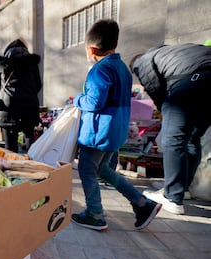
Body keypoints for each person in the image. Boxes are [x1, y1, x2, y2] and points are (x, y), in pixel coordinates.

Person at [71, 19, 162, 231]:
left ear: (92, 49)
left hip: (98, 133)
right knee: (104, 170)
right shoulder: (121, 67)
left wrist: (77, 99)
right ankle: (142, 204)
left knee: (87, 169)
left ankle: (95, 214)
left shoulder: (99, 70)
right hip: (115, 131)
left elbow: (94, 102)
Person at [129, 43, 211, 214]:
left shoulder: (142, 61)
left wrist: (164, 112)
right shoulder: (174, 51)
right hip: (205, 83)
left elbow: (154, 87)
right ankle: (183, 188)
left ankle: (172, 197)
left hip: (191, 82)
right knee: (193, 138)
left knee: (173, 139)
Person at [0, 38, 42, 152]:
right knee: (29, 137)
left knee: (10, 143)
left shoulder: (0, 64)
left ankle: (12, 167)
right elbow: (38, 84)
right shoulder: (32, 63)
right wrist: (28, 94)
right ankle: (32, 166)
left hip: (8, 106)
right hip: (29, 105)